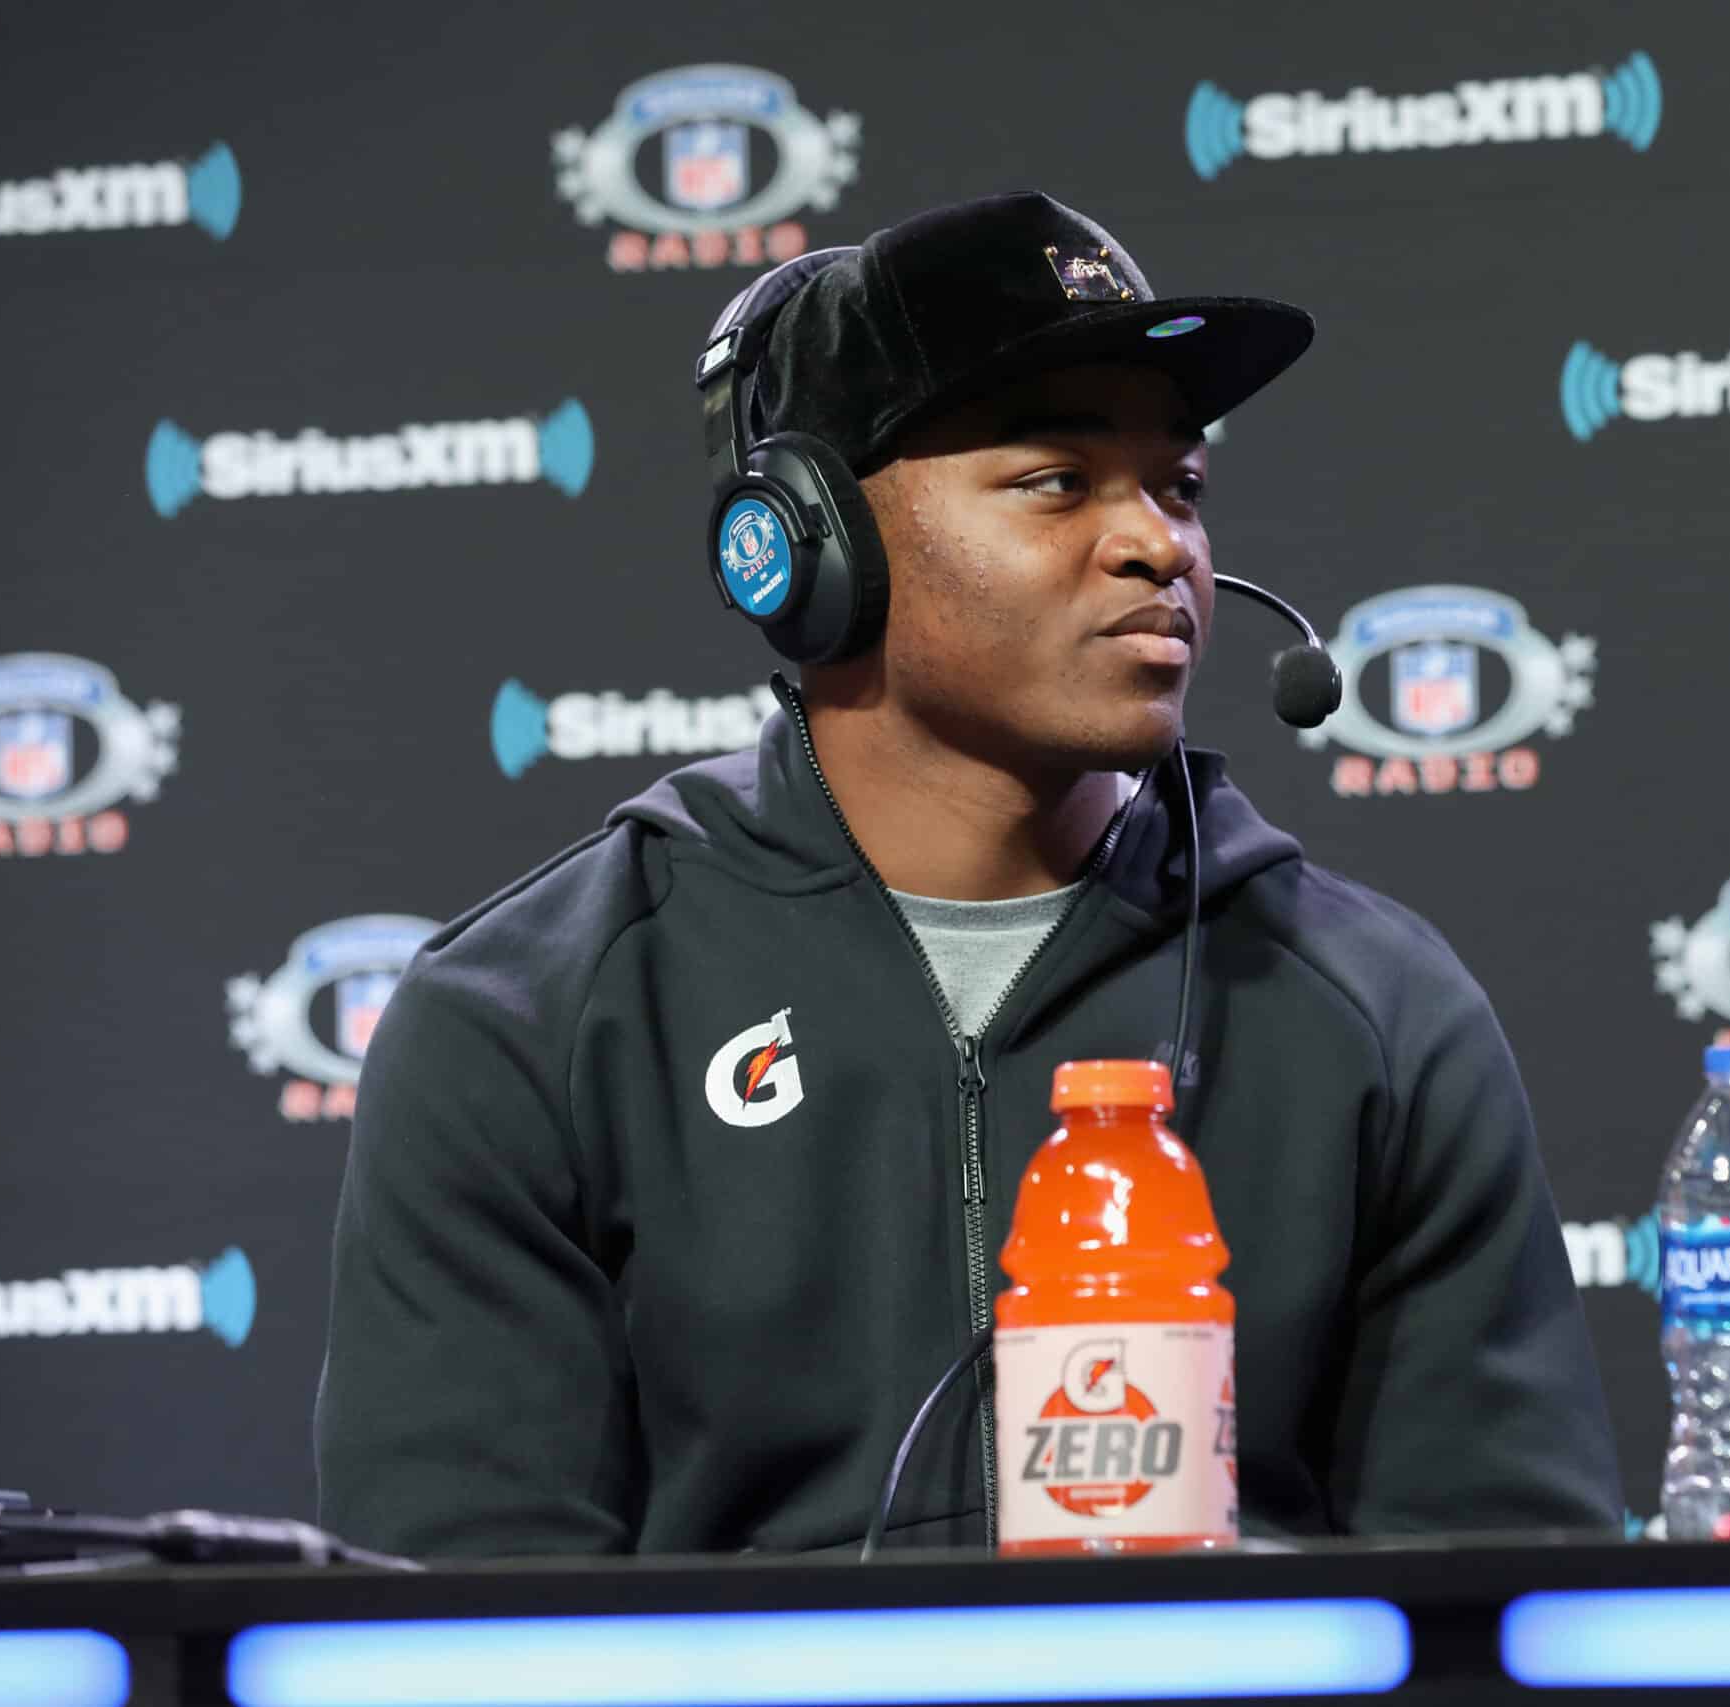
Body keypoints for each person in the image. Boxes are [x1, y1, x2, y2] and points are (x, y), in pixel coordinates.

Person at [315, 191, 1620, 1556]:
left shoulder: (1376, 1008)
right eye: (1058, 481)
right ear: (807, 550)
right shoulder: (531, 1017)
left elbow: (1501, 1592)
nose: (1158, 545)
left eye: (1179, 485)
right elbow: (459, 1623)